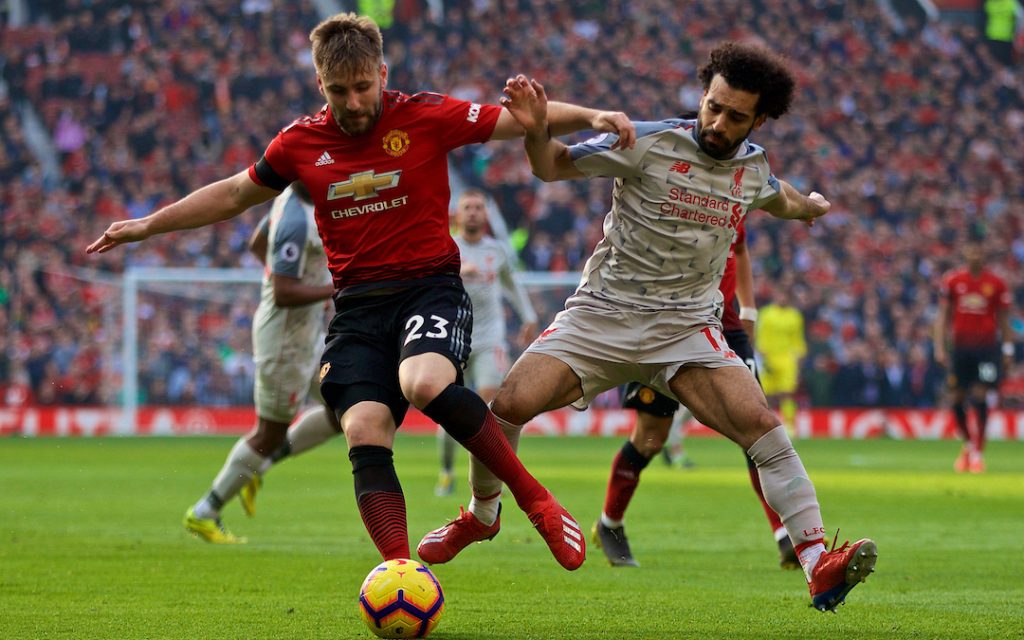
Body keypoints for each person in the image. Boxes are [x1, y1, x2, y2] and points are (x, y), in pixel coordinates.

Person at [88, 12, 635, 571]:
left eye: (363, 87)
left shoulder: (423, 114)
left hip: (429, 289)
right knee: (364, 426)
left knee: (423, 382)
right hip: (356, 308)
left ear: (382, 72)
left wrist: (592, 114)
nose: (353, 102)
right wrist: (146, 225)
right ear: (320, 85)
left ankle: (533, 499)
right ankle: (403, 573)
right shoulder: (299, 142)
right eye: (339, 90)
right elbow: (232, 194)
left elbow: (522, 119)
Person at [418, 43, 877, 612]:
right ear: (702, 94)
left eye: (735, 116)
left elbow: (776, 196)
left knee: (763, 427)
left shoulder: (752, 167)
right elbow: (551, 166)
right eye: (713, 105)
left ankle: (817, 564)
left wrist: (809, 206)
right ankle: (481, 516)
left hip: (686, 329)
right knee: (506, 406)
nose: (717, 122)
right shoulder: (650, 141)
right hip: (601, 316)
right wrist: (536, 131)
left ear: (758, 120)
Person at [597, 221, 799, 570]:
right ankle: (609, 525)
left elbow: (740, 248)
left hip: (727, 328)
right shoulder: (674, 198)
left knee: (757, 429)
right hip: (669, 326)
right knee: (649, 439)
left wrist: (748, 309)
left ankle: (785, 535)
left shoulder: (733, 196)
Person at [184, 181, 338, 544]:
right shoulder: (297, 221)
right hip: (284, 342)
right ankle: (205, 511)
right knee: (269, 434)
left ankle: (256, 470)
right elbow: (284, 293)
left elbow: (257, 243)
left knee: (344, 407)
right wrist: (335, 288)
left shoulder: (290, 200)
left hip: (305, 336)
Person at [436, 189, 538, 496]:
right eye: (467, 207)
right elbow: (429, 285)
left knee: (487, 406)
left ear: (485, 214)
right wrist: (454, 271)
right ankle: (446, 471)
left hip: (490, 337)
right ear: (458, 214)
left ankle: (488, 475)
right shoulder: (447, 248)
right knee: (449, 410)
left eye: (478, 207)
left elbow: (511, 284)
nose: (473, 212)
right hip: (453, 337)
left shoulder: (497, 250)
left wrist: (528, 315)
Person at [933, 236, 1014, 473]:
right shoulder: (953, 280)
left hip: (987, 349)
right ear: (965, 253)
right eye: (971, 251)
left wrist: (1007, 349)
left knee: (979, 396)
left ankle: (977, 453)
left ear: (984, 254)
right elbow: (943, 317)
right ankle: (968, 444)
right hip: (961, 349)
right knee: (956, 399)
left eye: (979, 252)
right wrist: (939, 347)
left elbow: (1003, 319)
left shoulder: (996, 283)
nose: (975, 256)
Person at [756, 283, 806, 433]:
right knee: (767, 394)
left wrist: (799, 355)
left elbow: (798, 339)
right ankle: (768, 424)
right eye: (779, 295)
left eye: (784, 296)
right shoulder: (766, 313)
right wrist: (762, 353)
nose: (782, 298)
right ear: (775, 296)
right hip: (769, 357)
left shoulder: (795, 316)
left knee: (787, 392)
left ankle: (790, 425)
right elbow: (761, 335)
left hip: (787, 359)